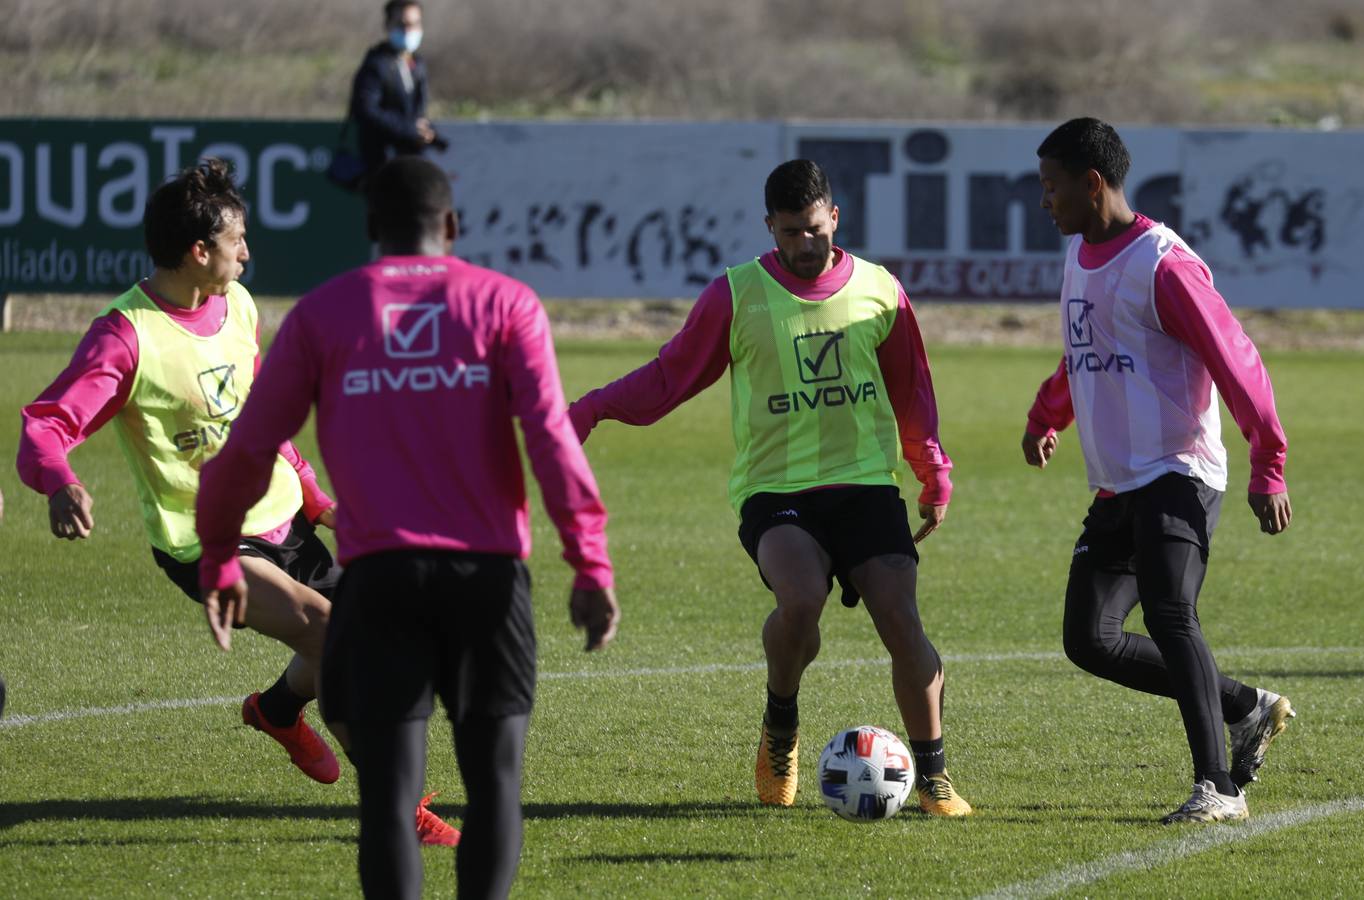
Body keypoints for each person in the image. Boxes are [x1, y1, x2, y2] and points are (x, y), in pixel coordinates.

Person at [195, 156, 619, 899]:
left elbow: (250, 448)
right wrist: (590, 565)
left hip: (378, 582)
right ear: (451, 226)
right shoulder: (506, 302)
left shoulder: (324, 313)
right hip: (486, 582)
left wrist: (220, 561)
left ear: (369, 229)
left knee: (388, 798)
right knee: (493, 790)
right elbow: (551, 441)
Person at [14, 159, 458, 846]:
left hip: (281, 518)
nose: (248, 252)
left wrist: (312, 499)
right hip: (207, 541)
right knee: (335, 634)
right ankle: (399, 808)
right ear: (199, 251)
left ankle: (279, 711)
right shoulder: (125, 336)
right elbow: (45, 425)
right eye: (237, 241)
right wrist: (59, 480)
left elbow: (261, 417)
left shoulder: (240, 307)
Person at [569, 159, 972, 817]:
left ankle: (933, 776)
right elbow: (669, 377)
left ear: (834, 218)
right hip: (776, 491)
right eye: (789, 233)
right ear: (770, 228)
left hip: (867, 485)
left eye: (814, 229)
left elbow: (911, 389)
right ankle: (780, 726)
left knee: (901, 619)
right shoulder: (738, 295)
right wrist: (589, 409)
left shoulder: (880, 290)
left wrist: (933, 470)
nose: (803, 245)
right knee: (801, 597)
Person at [1023, 117, 1296, 825]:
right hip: (1118, 482)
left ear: (1092, 184)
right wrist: (1049, 414)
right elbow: (1085, 348)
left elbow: (1237, 360)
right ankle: (1245, 706)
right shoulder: (1081, 252)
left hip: (1179, 469)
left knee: (1172, 611)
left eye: (1052, 189)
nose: (1043, 201)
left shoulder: (1164, 264)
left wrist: (1269, 463)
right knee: (1091, 639)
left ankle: (1219, 789)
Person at [350, 0, 442, 179]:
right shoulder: (377, 63)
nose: (409, 30)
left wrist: (428, 132)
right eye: (402, 24)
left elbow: (418, 111)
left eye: (415, 24)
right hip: (382, 163)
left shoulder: (417, 64)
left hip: (412, 160)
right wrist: (409, 129)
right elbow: (365, 110)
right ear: (388, 25)